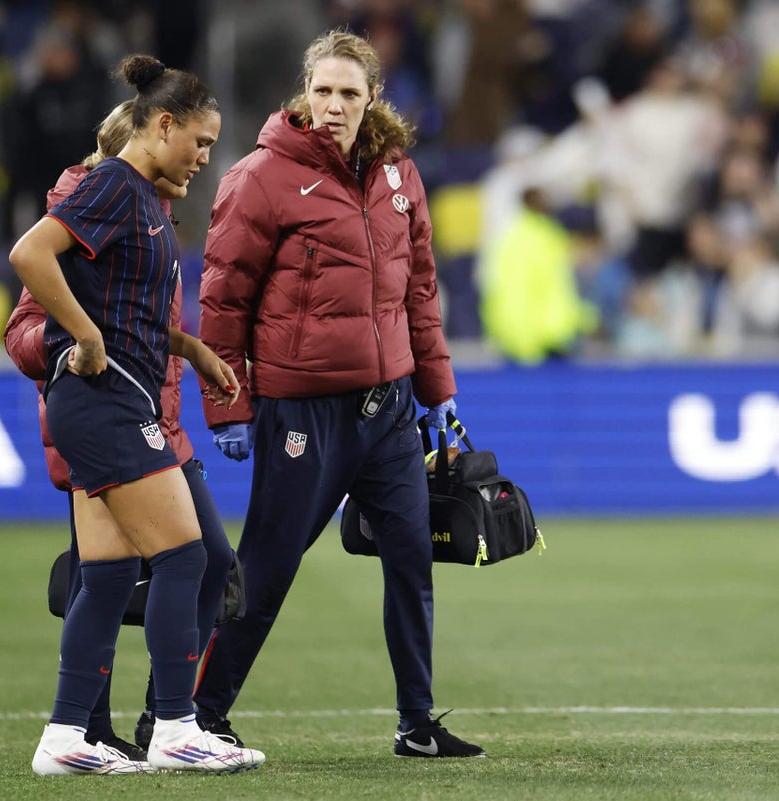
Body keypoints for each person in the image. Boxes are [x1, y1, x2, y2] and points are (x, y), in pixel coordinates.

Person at [195, 29, 486, 759]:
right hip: (302, 409)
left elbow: (420, 292)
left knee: (412, 559)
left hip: (388, 409)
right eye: (322, 90)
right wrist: (227, 404)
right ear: (304, 92)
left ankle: (416, 722)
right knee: (266, 565)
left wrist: (436, 389)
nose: (332, 105)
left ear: (371, 99)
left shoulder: (398, 175)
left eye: (348, 93)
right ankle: (195, 715)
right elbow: (222, 300)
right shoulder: (260, 176)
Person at [7, 54, 265, 776]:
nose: (206, 156)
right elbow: (30, 254)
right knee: (187, 554)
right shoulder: (115, 185)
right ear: (163, 124)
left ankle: (65, 737)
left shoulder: (142, 200)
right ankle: (176, 726)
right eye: (202, 141)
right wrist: (82, 337)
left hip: (104, 400)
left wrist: (189, 347)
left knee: (111, 573)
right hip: (108, 401)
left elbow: (124, 307)